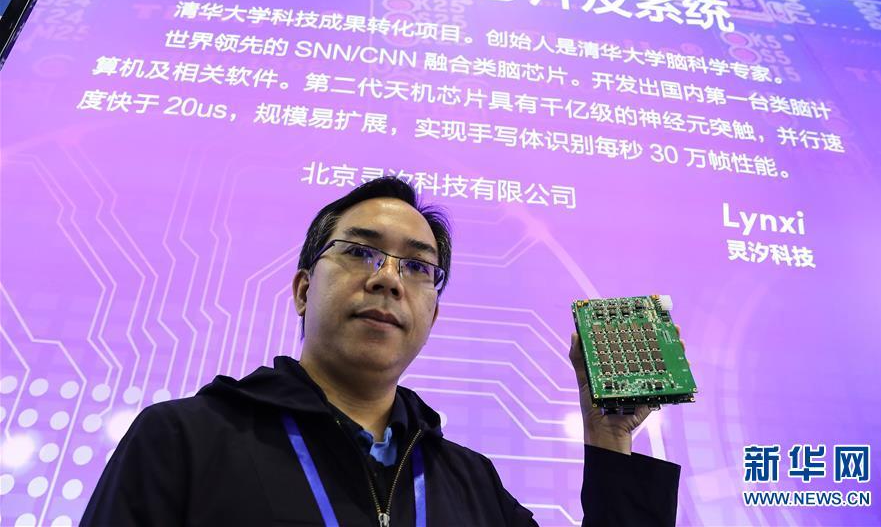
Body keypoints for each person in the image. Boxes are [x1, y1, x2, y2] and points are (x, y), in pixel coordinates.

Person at [82, 177, 680, 526]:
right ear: (302, 289)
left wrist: (609, 437)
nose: (388, 279)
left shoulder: (470, 482)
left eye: (417, 266)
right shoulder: (186, 437)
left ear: (432, 315)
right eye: (360, 252)